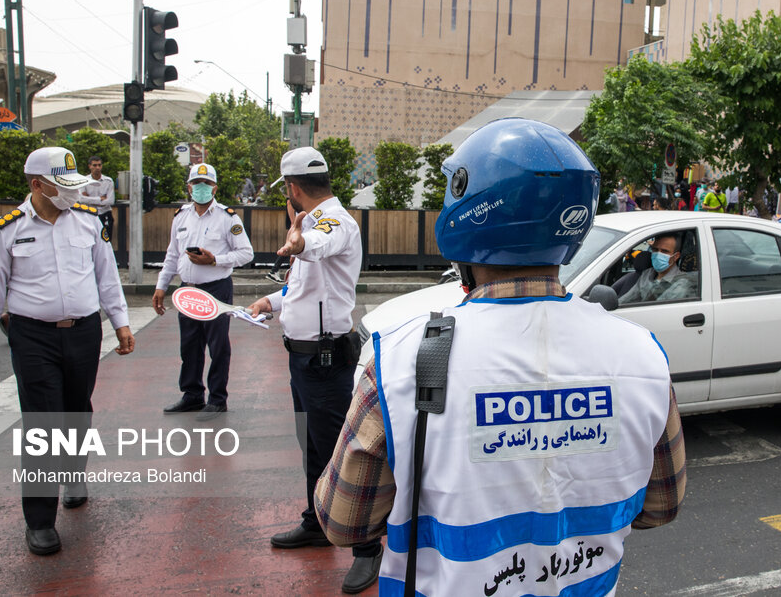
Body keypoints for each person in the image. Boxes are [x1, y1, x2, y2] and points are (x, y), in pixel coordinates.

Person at [314, 118, 686, 596]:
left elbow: (343, 521)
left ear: (467, 210)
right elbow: (661, 506)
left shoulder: (400, 361)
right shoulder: (643, 356)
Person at [0, 146, 135, 556]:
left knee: (78, 410)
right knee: (43, 424)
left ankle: (74, 476)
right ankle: (40, 520)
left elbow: (107, 277)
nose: (72, 193)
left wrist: (121, 322)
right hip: (32, 337)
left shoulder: (88, 222)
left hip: (84, 333)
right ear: (37, 185)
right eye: (63, 186)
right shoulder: (6, 230)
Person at [245, 146, 382, 594]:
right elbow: (303, 288)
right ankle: (316, 523)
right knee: (312, 447)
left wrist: (300, 243)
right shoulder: (314, 222)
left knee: (340, 454)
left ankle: (367, 548)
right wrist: (270, 302)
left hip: (325, 361)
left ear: (292, 188)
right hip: (303, 358)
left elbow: (320, 245)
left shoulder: (332, 222)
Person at [152, 164, 253, 421]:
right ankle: (192, 394)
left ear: (214, 188)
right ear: (189, 187)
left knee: (218, 346)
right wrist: (161, 286)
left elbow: (246, 253)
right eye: (196, 183)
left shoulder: (228, 218)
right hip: (188, 290)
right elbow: (172, 255)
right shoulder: (181, 217)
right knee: (189, 344)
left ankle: (217, 399)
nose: (201, 188)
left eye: (206, 184)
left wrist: (214, 260)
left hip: (216, 289)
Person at [618, 233, 697, 304]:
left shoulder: (681, 284)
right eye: (655, 250)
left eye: (664, 251)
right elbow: (626, 300)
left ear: (676, 256)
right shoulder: (647, 274)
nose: (658, 254)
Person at [78, 156, 116, 243]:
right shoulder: (84, 181)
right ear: (89, 166)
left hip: (104, 213)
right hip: (89, 214)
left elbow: (110, 201)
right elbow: (81, 199)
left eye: (99, 165)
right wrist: (99, 199)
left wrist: (89, 199)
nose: (97, 168)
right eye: (94, 165)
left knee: (106, 241)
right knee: (89, 241)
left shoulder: (108, 181)